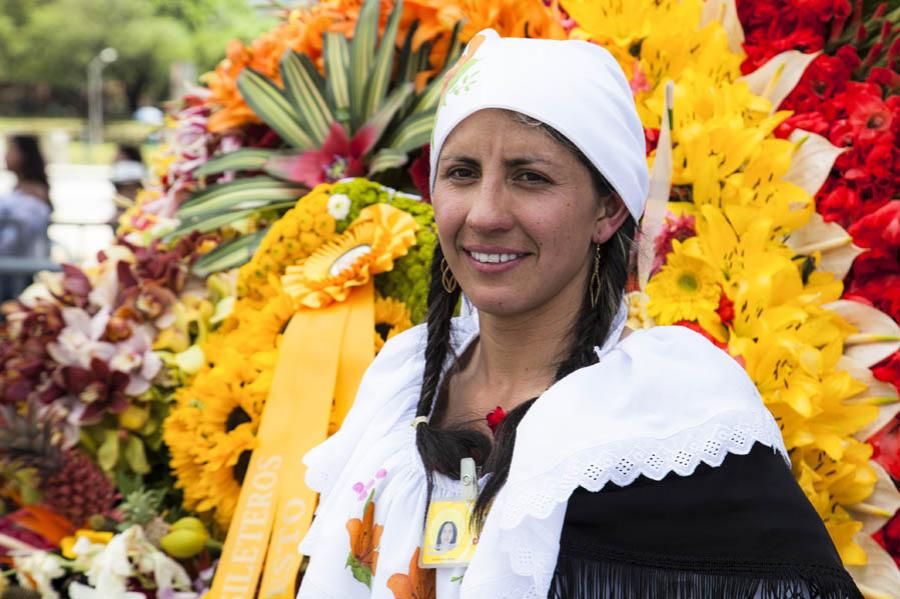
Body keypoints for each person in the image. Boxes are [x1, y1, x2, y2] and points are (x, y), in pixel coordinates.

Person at [295, 30, 861, 598]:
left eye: (530, 177)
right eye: (462, 172)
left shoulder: (669, 413)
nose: (486, 213)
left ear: (608, 207)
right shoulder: (401, 381)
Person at [0, 134, 51, 258]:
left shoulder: (34, 194)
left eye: (11, 150)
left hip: (16, 267)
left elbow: (18, 236)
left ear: (25, 155)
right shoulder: (18, 189)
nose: (6, 156)